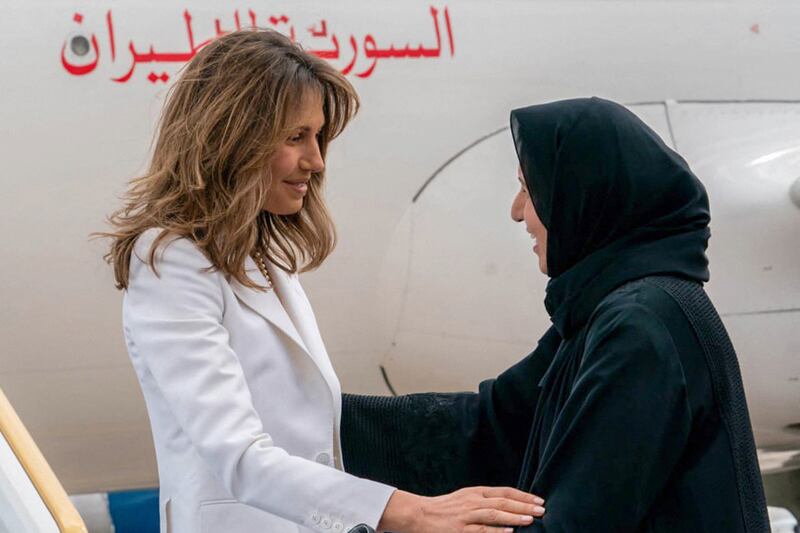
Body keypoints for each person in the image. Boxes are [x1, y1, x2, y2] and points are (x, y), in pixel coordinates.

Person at [98, 29, 544, 533]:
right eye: (296, 137)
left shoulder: (264, 257)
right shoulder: (171, 262)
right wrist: (414, 511)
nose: (317, 160)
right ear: (234, 137)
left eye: (317, 136)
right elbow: (240, 456)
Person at [341, 97, 769, 532]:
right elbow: (491, 428)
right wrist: (305, 418)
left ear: (581, 195)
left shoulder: (641, 329)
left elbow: (576, 521)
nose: (517, 211)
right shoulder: (611, 312)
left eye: (530, 189)